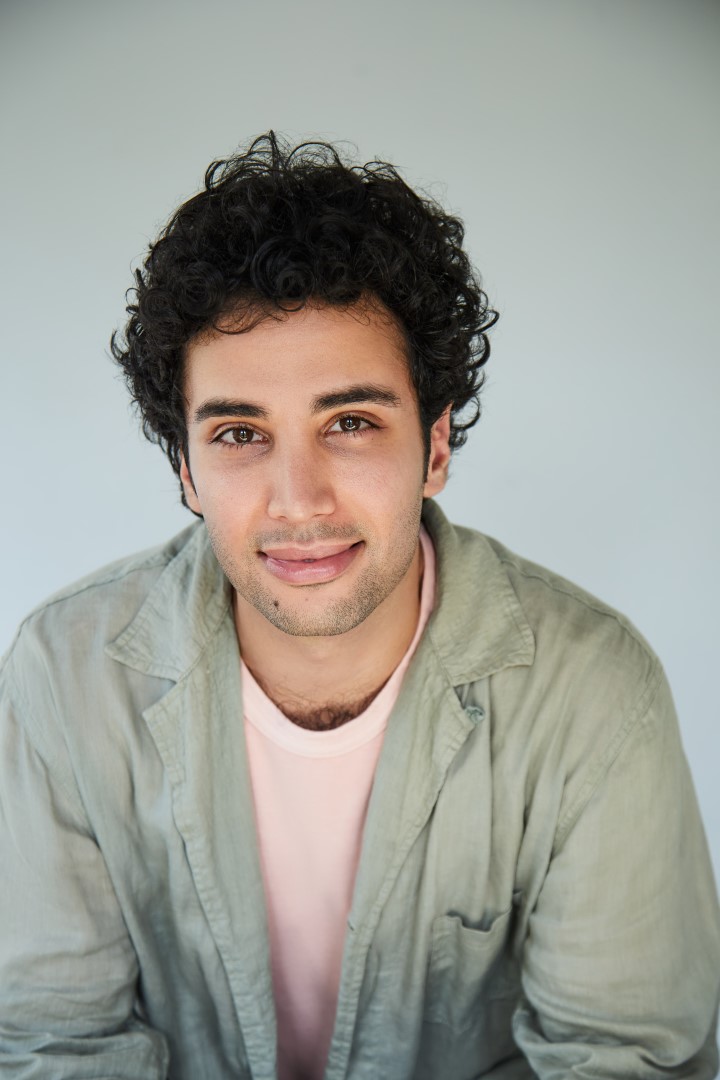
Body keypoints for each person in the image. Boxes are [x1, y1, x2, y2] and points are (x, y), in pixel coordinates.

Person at [0, 132, 718, 1080]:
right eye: (240, 433)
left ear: (435, 446)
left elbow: (625, 1061)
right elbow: (54, 1047)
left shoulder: (593, 691)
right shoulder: (64, 677)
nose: (299, 501)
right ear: (186, 470)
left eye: (350, 422)